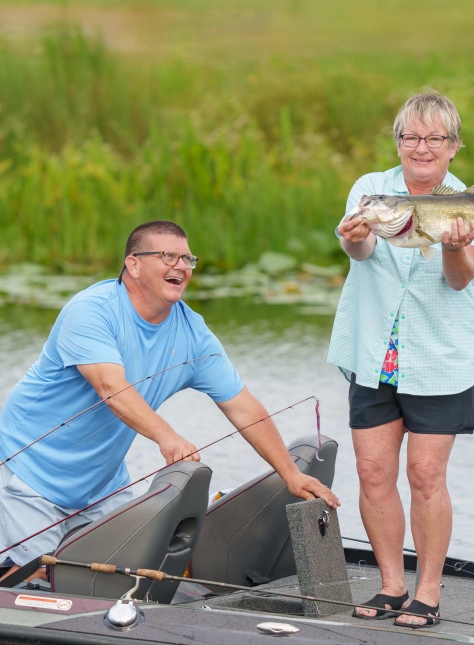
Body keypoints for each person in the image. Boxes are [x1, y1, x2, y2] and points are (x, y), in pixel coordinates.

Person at [0, 220, 339, 579]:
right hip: (27, 476)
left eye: (187, 259)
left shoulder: (193, 333)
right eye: (167, 256)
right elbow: (111, 389)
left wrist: (289, 473)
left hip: (101, 487)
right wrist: (167, 436)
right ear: (133, 264)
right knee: (31, 581)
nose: (181, 266)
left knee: (114, 581)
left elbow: (243, 407)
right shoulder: (90, 311)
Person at [327, 90, 474, 628]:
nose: (422, 147)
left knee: (425, 474)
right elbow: (363, 251)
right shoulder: (371, 189)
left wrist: (451, 243)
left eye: (434, 138)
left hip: (439, 359)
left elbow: (459, 277)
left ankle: (428, 591)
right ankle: (391, 585)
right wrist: (353, 239)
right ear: (397, 142)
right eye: (411, 137)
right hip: (373, 351)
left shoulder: (469, 201)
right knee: (373, 472)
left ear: (454, 147)